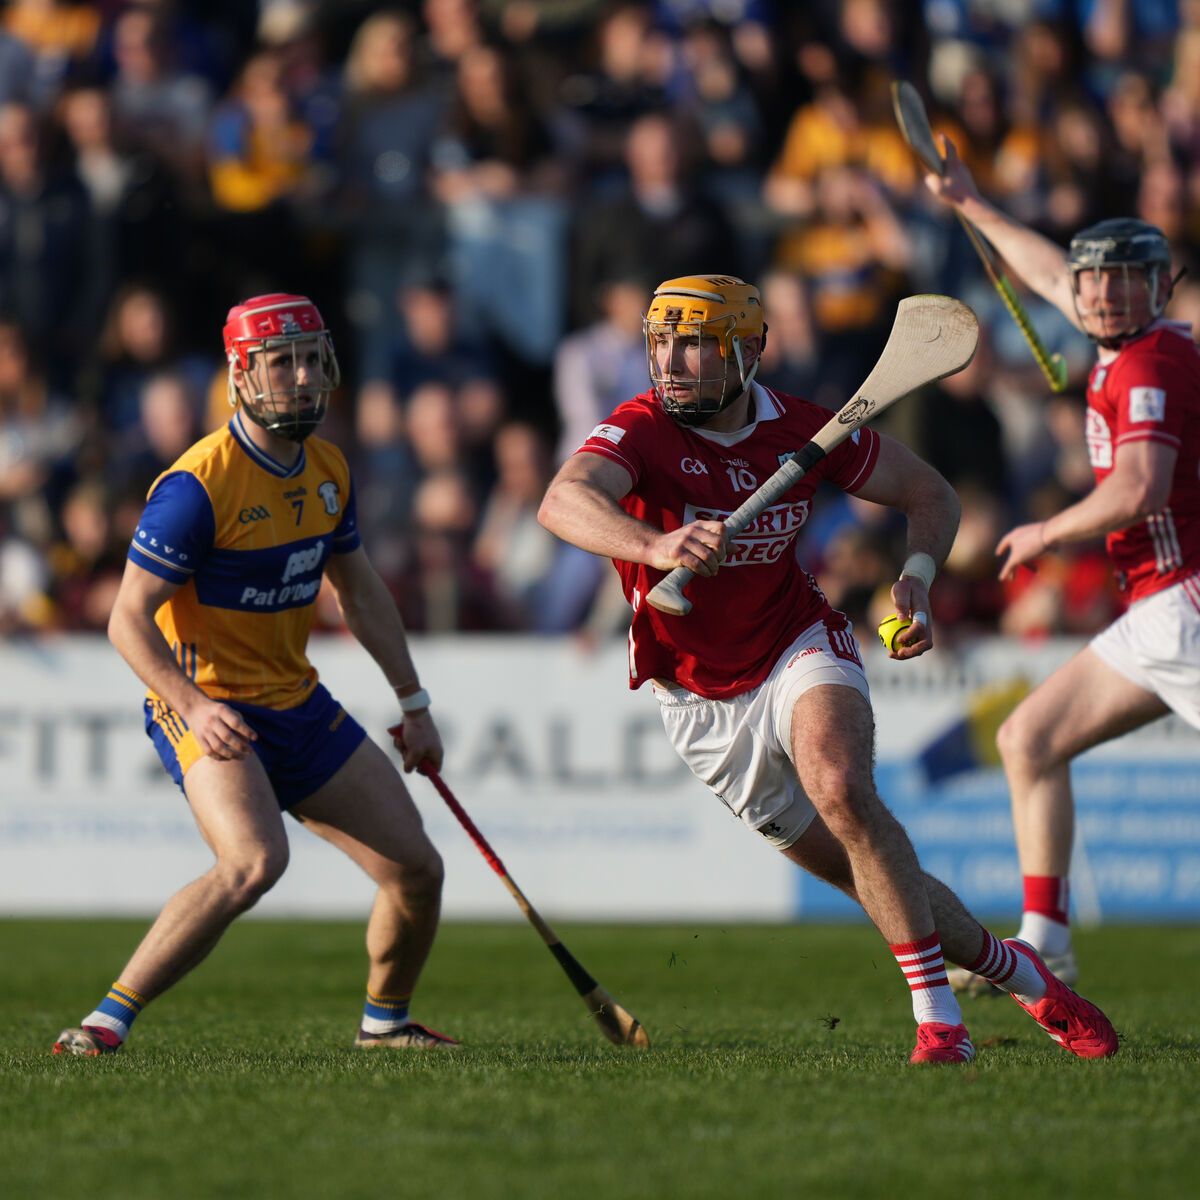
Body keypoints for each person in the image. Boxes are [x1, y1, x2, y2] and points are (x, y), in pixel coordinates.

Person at [537, 273, 1118, 1063]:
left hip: (796, 643)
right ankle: (1021, 972)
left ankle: (939, 1025)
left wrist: (914, 576)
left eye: (694, 345)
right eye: (661, 342)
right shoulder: (639, 431)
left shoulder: (806, 430)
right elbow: (563, 499)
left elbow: (930, 493)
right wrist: (653, 545)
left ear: (745, 353)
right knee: (863, 872)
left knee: (843, 790)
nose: (670, 362)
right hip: (697, 697)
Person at [52, 293, 457, 1055]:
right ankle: (105, 1024)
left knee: (417, 870)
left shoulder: (330, 468)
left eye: (311, 359)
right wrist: (194, 706)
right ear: (241, 376)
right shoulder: (197, 486)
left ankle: (385, 1027)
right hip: (208, 704)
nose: (301, 378)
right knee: (253, 863)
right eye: (281, 363)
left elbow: (361, 591)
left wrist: (414, 702)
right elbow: (125, 618)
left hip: (297, 702)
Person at [924, 139, 1200, 994]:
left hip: (1185, 605)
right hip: (1157, 612)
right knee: (1029, 738)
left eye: (1127, 280)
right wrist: (972, 203)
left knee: (1029, 738)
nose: (1105, 292)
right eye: (1096, 280)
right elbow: (1046, 272)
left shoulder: (1151, 360)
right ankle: (1046, 939)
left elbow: (1139, 486)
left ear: (1159, 288)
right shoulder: (1120, 335)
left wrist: (1048, 532)